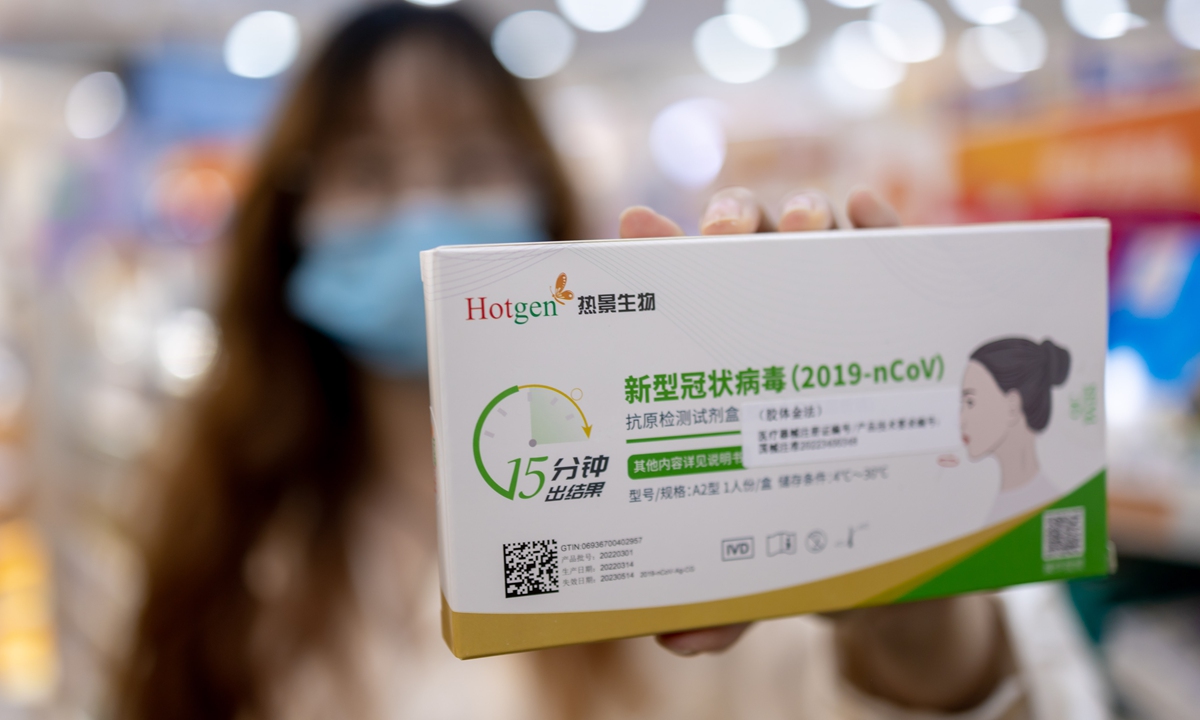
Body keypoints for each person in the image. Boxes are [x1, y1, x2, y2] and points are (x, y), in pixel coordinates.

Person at [115, 4, 1106, 720]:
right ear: (292, 217)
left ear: (539, 195)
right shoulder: (223, 511)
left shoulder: (683, 464)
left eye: (469, 164)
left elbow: (1008, 695)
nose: (423, 211)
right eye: (368, 170)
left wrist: (906, 589)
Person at [961, 338, 1071, 525]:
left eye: (970, 402)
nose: (961, 420)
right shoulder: (1000, 507)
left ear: (1012, 405)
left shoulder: (1048, 507)